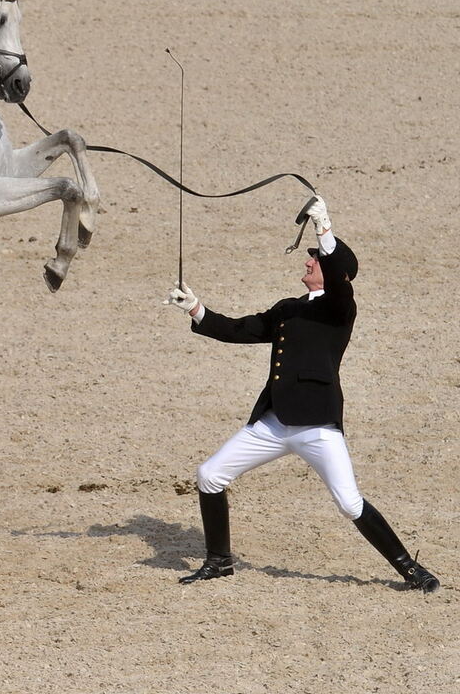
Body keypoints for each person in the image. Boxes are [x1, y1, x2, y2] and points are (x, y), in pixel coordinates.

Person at [163, 196, 440, 592]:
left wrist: (324, 229)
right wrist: (196, 310)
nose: (308, 262)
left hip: (316, 426)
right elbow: (242, 330)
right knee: (210, 475)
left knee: (349, 504)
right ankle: (219, 561)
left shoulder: (339, 308)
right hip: (274, 422)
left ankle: (412, 571)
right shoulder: (289, 307)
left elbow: (340, 275)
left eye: (315, 260)